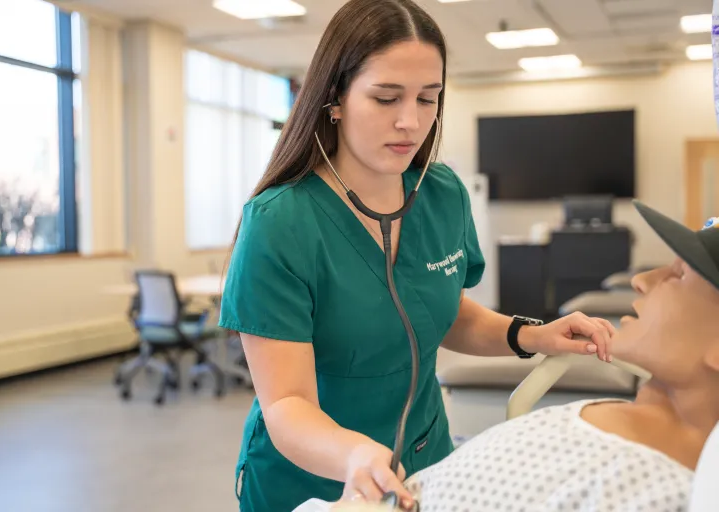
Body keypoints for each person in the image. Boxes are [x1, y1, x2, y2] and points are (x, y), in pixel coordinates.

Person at [218, 1, 614, 510]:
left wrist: (531, 334)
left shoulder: (442, 193)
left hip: (426, 463)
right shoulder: (280, 223)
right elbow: (286, 403)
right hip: (319, 483)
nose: (411, 121)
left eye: (429, 99)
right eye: (386, 98)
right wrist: (355, 455)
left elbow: (438, 312)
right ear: (334, 97)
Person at [293, 200, 719, 512]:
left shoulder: (656, 491)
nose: (642, 280)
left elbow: (441, 313)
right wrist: (531, 335)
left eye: (679, 275)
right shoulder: (615, 415)